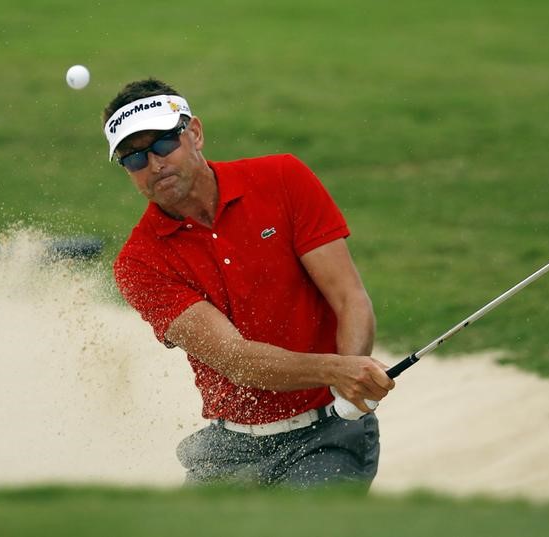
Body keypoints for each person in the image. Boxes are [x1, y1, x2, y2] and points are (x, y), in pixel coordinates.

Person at [102, 78, 394, 489]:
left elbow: (349, 298)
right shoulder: (139, 263)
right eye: (133, 158)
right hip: (228, 451)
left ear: (195, 133)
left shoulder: (282, 177)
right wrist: (339, 369)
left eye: (164, 144)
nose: (154, 164)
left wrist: (350, 389)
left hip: (328, 436)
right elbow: (236, 359)